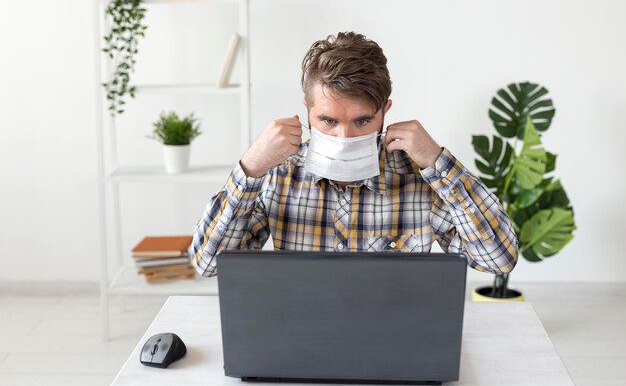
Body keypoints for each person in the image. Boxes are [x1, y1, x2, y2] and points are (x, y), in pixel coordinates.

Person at [192, 31, 518, 277]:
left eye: (362, 120)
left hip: (394, 340)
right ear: (307, 110)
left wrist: (439, 163)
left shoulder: (419, 177)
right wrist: (249, 168)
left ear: (385, 111)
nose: (344, 136)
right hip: (300, 340)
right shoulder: (279, 173)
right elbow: (208, 264)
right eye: (328, 121)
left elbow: (498, 260)